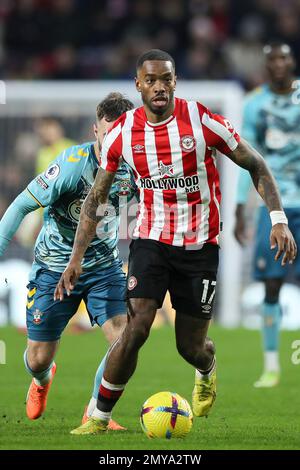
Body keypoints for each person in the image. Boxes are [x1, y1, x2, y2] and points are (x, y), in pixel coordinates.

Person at [55, 49, 296, 435]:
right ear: (139, 85)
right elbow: (96, 199)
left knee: (190, 346)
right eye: (150, 80)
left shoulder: (201, 121)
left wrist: (278, 219)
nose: (159, 86)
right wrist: (75, 258)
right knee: (137, 328)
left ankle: (206, 367)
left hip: (201, 247)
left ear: (174, 82)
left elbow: (256, 163)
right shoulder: (122, 133)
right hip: (150, 241)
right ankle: (98, 417)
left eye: (166, 78)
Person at [0, 92, 136, 429]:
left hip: (104, 268)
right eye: (108, 134)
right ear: (95, 132)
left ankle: (95, 411)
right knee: (38, 357)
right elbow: (20, 206)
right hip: (53, 268)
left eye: (122, 134)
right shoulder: (71, 165)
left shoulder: (135, 168)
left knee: (125, 339)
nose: (114, 141)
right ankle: (43, 379)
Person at [234, 42, 300, 388]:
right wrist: (238, 208)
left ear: (292, 62)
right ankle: (272, 366)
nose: (278, 64)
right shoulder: (255, 104)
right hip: (274, 208)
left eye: (284, 58)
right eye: (272, 59)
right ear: (265, 64)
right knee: (272, 286)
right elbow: (247, 161)